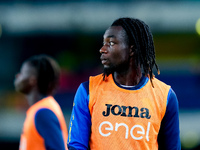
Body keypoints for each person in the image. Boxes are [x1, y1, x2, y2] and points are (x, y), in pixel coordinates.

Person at [67, 17, 181, 150]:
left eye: (111, 43)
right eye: (104, 43)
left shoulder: (165, 96)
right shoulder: (88, 90)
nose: (102, 49)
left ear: (132, 49)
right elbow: (76, 146)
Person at [14, 54, 68, 150]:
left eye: (22, 73)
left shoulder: (43, 112)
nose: (17, 76)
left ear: (32, 80)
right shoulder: (38, 109)